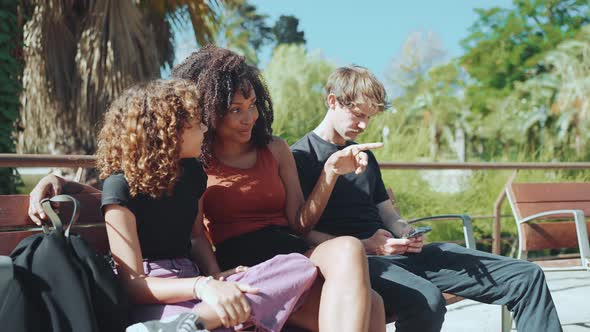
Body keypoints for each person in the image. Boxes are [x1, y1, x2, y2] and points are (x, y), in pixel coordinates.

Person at [28, 79, 319, 332]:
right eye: (196, 124)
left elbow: (195, 237)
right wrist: (204, 287)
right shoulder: (120, 186)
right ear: (167, 134)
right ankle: (200, 321)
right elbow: (133, 283)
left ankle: (197, 322)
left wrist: (214, 276)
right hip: (155, 288)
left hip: (193, 278)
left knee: (298, 266)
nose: (206, 128)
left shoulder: (192, 172)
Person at [290, 65, 563, 332]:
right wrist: (368, 246)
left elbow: (387, 213)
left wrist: (405, 231)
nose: (364, 125)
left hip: (399, 254)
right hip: (360, 264)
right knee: (427, 300)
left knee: (526, 276)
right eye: (358, 115)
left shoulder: (365, 155)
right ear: (333, 101)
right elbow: (301, 232)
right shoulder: (300, 158)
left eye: (370, 118)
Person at [171, 45, 385, 332]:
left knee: (349, 246)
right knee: (373, 307)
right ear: (210, 112)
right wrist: (215, 278)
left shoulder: (275, 148)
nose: (249, 118)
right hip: (246, 264)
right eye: (236, 110)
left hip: (292, 253)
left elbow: (299, 223)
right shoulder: (199, 161)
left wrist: (330, 172)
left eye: (252, 105)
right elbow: (197, 236)